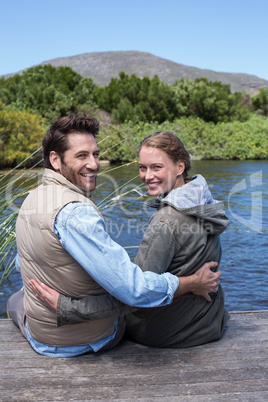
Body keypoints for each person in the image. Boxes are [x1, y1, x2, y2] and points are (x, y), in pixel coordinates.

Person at [7, 116, 221, 357]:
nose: (94, 164)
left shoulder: (31, 198)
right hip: (84, 339)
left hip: (52, 336)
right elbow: (135, 291)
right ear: (55, 160)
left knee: (16, 300)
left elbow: (22, 262)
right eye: (82, 156)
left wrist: (69, 304)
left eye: (95, 154)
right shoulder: (76, 213)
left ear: (180, 167)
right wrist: (191, 283)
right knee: (21, 300)